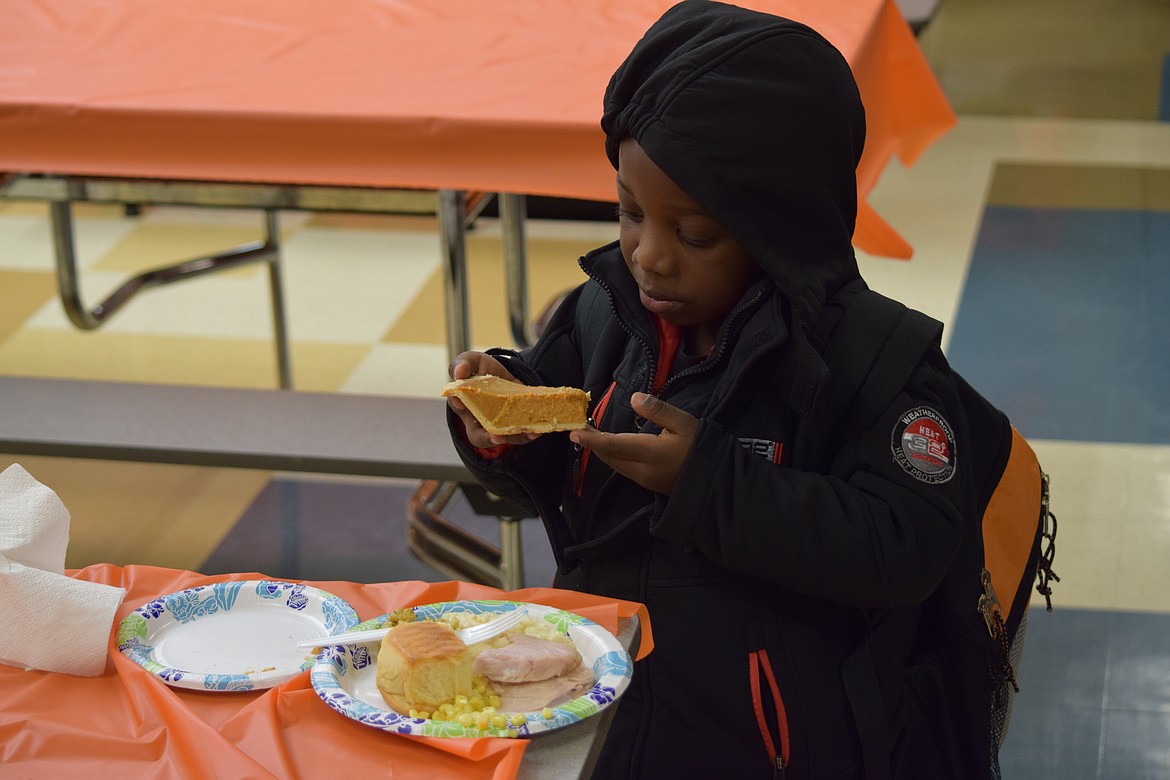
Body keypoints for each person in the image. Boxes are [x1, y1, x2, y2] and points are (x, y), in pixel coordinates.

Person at [445, 2, 972, 777]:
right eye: (628, 211)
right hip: (605, 712)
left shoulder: (871, 363)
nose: (649, 256)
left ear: (781, 228)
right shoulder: (605, 311)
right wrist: (502, 427)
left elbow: (907, 546)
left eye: (694, 235)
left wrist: (714, 484)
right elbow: (559, 463)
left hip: (771, 742)